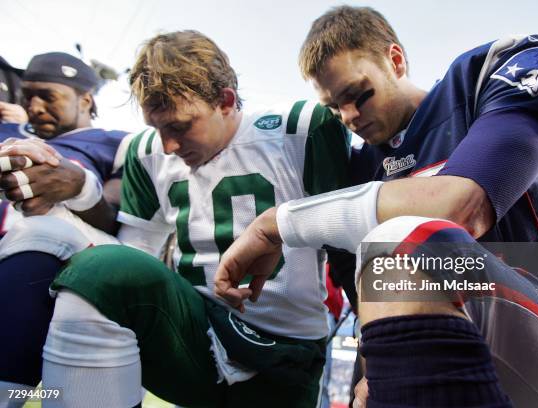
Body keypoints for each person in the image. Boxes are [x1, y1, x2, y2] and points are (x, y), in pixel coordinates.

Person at [215, 5, 538, 407]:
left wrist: (277, 223)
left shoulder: (480, 82)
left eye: (358, 95)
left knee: (401, 243)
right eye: (336, 107)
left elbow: (460, 206)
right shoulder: (358, 168)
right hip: (451, 344)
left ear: (395, 60)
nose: (350, 116)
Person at [35, 30, 351, 408]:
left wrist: (376, 342)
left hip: (287, 343)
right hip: (196, 329)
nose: (168, 145)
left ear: (225, 101)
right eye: (157, 127)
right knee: (102, 270)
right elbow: (137, 256)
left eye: (180, 126)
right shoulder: (146, 151)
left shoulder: (301, 128)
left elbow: (350, 244)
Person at [0, 52, 129, 404]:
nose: (35, 107)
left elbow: (120, 217)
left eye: (48, 96)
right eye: (27, 97)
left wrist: (78, 186)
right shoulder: (11, 130)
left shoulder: (115, 142)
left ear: (85, 99)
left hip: (43, 270)